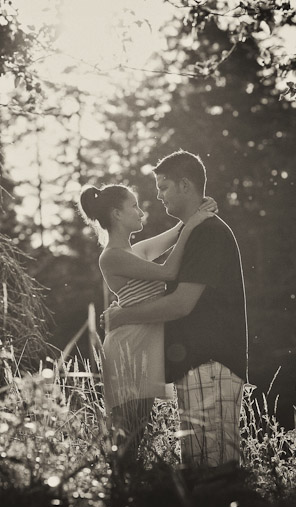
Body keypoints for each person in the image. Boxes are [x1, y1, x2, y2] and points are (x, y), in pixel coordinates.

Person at [105, 150, 248, 469]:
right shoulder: (195, 231)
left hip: (211, 363)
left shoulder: (207, 233)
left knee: (213, 471)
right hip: (197, 365)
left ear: (185, 185)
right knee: (200, 469)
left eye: (164, 186)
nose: (158, 195)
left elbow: (182, 303)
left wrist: (123, 315)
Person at [78, 184, 217, 464]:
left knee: (136, 431)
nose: (141, 213)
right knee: (127, 437)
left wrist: (198, 210)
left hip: (142, 347)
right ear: (117, 214)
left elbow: (178, 231)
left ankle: (127, 494)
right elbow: (170, 271)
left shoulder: (136, 251)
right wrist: (194, 224)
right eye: (134, 206)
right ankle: (119, 496)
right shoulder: (112, 256)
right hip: (128, 350)